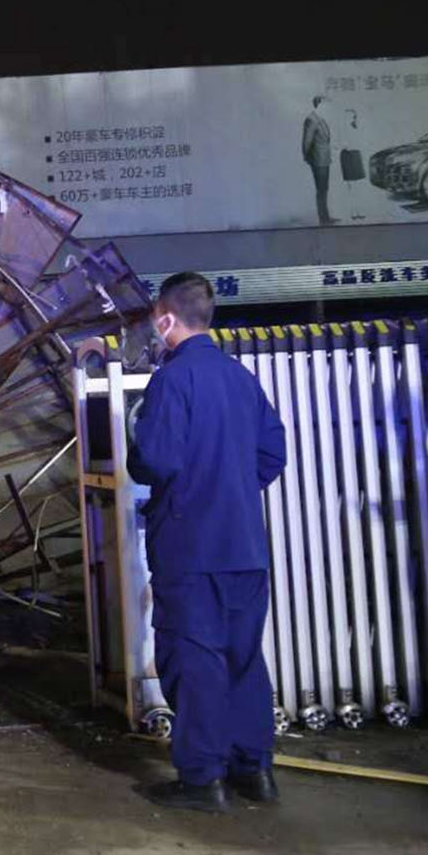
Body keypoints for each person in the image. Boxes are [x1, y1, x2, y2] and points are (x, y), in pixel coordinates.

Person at [128, 272, 289, 814]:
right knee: (243, 658)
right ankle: (256, 771)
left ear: (165, 316)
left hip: (190, 547)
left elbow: (157, 460)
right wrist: (232, 486)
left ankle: (203, 780)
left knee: (194, 661)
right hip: (245, 546)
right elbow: (272, 454)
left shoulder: (172, 382)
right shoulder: (241, 378)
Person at [300, 96, 334, 226]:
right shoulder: (312, 119)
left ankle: (326, 217)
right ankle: (323, 220)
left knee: (324, 188)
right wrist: (308, 157)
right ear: (318, 105)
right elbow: (306, 142)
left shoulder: (321, 119)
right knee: (321, 189)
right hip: (318, 160)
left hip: (324, 159)